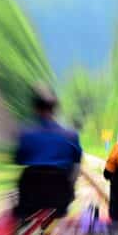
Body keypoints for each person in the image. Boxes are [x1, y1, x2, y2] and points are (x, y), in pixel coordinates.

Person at [13, 85, 83, 219]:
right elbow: (77, 163)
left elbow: (18, 160)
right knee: (74, 166)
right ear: (55, 109)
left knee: (25, 176)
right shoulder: (71, 134)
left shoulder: (24, 133)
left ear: (35, 108)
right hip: (61, 198)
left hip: (29, 198)